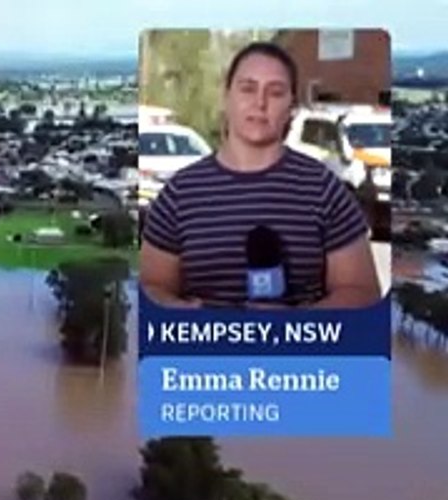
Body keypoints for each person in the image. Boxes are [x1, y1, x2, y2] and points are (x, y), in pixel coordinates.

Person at [140, 41, 382, 309]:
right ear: (226, 96)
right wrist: (176, 310)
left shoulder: (324, 189)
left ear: (291, 104)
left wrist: (297, 323)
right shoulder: (179, 194)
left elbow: (363, 293)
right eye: (248, 88)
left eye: (275, 92)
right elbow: (150, 288)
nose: (260, 102)